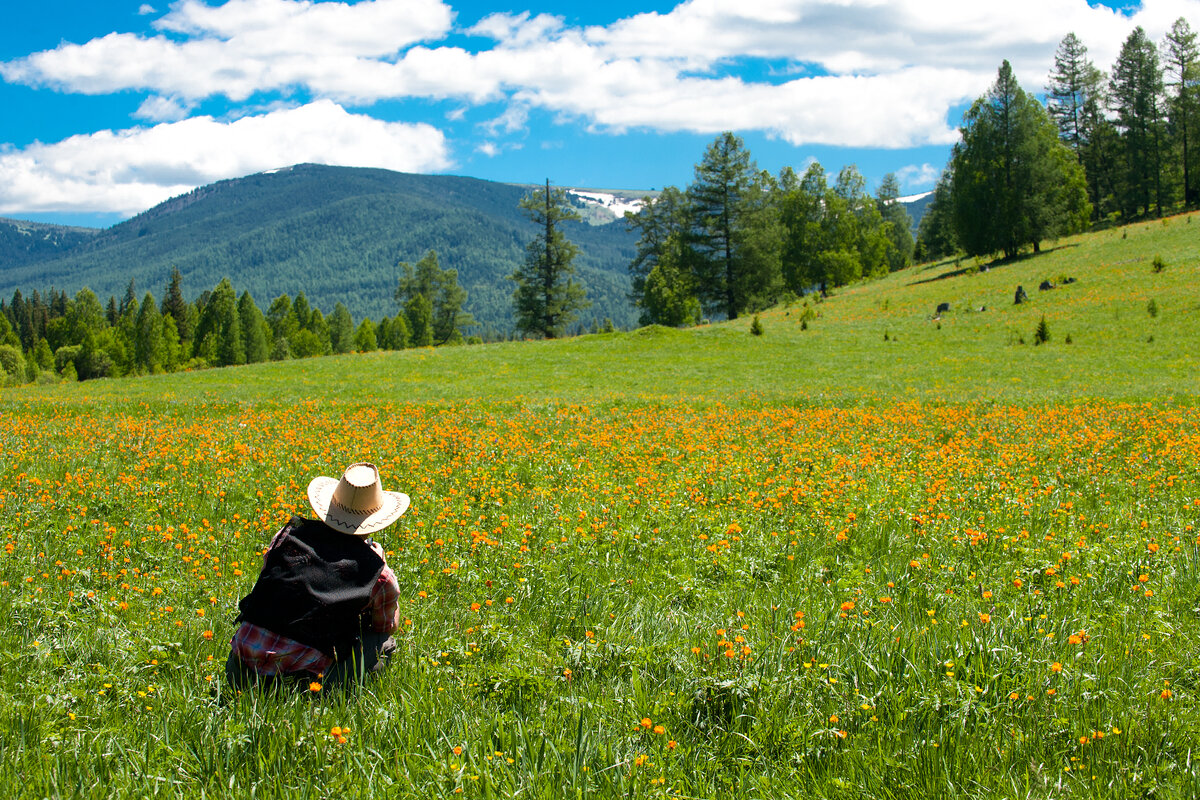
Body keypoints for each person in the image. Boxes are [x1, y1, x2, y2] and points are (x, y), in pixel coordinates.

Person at [226, 462, 409, 690]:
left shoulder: (287, 539)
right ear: (374, 522)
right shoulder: (378, 573)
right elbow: (386, 626)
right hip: (300, 685)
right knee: (383, 643)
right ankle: (320, 696)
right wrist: (377, 566)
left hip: (238, 671)